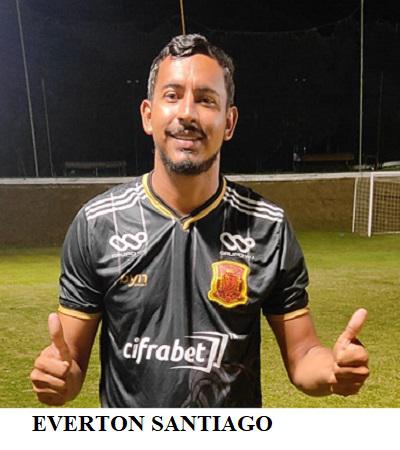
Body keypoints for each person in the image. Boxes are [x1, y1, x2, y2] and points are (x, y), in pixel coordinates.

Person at [30, 34, 369, 407]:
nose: (187, 114)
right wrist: (59, 377)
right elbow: (71, 364)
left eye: (206, 100)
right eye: (172, 95)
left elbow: (303, 355)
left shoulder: (267, 226)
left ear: (229, 122)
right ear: (148, 115)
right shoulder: (98, 223)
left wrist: (332, 370)